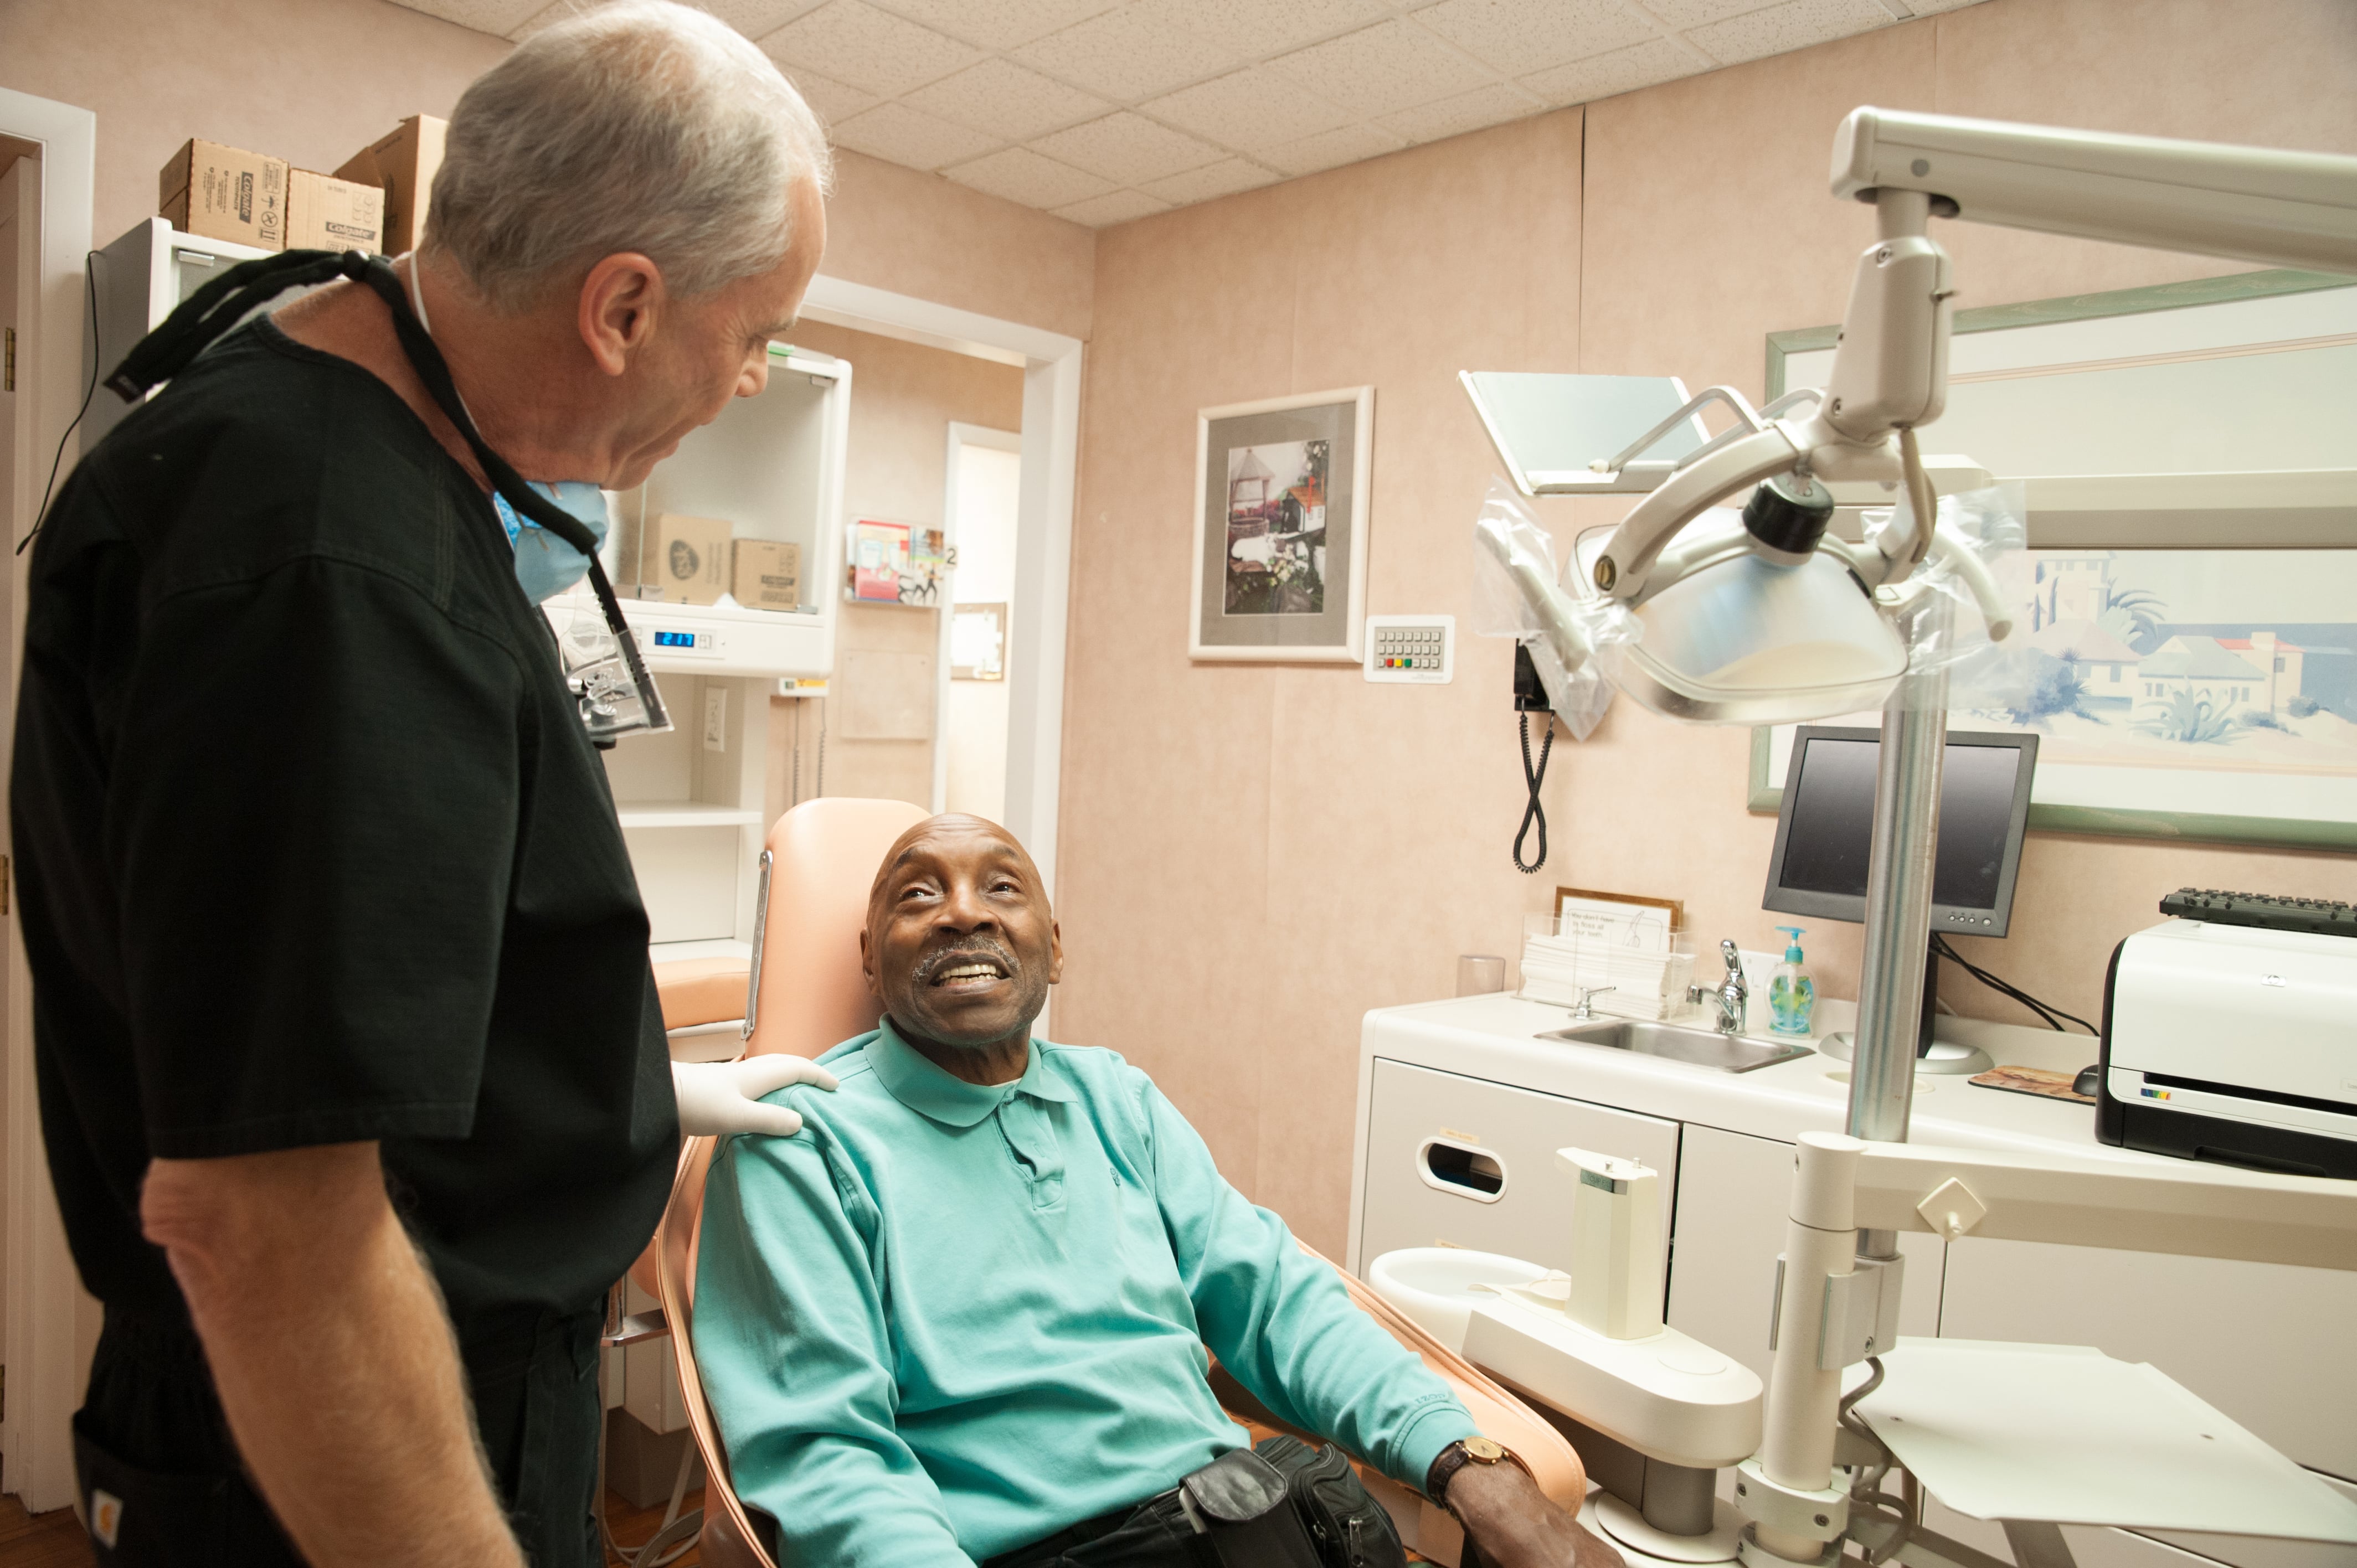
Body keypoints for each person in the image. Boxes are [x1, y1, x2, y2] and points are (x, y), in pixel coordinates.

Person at [9, 6, 836, 1564]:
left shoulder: (329, 434)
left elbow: (361, 982)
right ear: (624, 307)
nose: (747, 381)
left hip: (374, 1371)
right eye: (754, 331)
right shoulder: (336, 569)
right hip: (340, 1428)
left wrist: (635, 1111)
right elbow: (272, 1230)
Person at [694, 814, 1619, 1567]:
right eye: (918, 894)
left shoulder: (1116, 1100)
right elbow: (831, 1456)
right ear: (869, 956)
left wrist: (1469, 1461)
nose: (963, 915)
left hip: (1243, 1524)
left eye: (1002, 887)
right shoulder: (802, 1139)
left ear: (1055, 950)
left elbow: (1275, 1301)